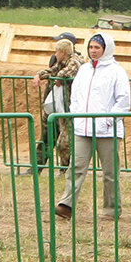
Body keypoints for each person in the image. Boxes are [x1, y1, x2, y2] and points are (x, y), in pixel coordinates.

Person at [54, 32, 131, 222]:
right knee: (76, 167)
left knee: (110, 172)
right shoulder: (84, 70)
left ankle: (112, 209)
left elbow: (123, 100)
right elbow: (76, 97)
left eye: (97, 47)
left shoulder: (117, 71)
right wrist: (77, 116)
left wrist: (107, 120)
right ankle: (66, 205)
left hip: (107, 130)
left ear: (106, 49)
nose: (93, 51)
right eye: (91, 47)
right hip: (83, 128)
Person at [31, 36, 84, 174]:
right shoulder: (61, 62)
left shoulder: (75, 61)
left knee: (65, 142)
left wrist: (59, 78)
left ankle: (66, 170)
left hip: (71, 109)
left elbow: (67, 72)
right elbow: (52, 71)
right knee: (47, 137)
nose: (55, 55)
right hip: (59, 107)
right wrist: (39, 75)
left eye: (57, 52)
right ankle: (37, 168)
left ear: (63, 52)